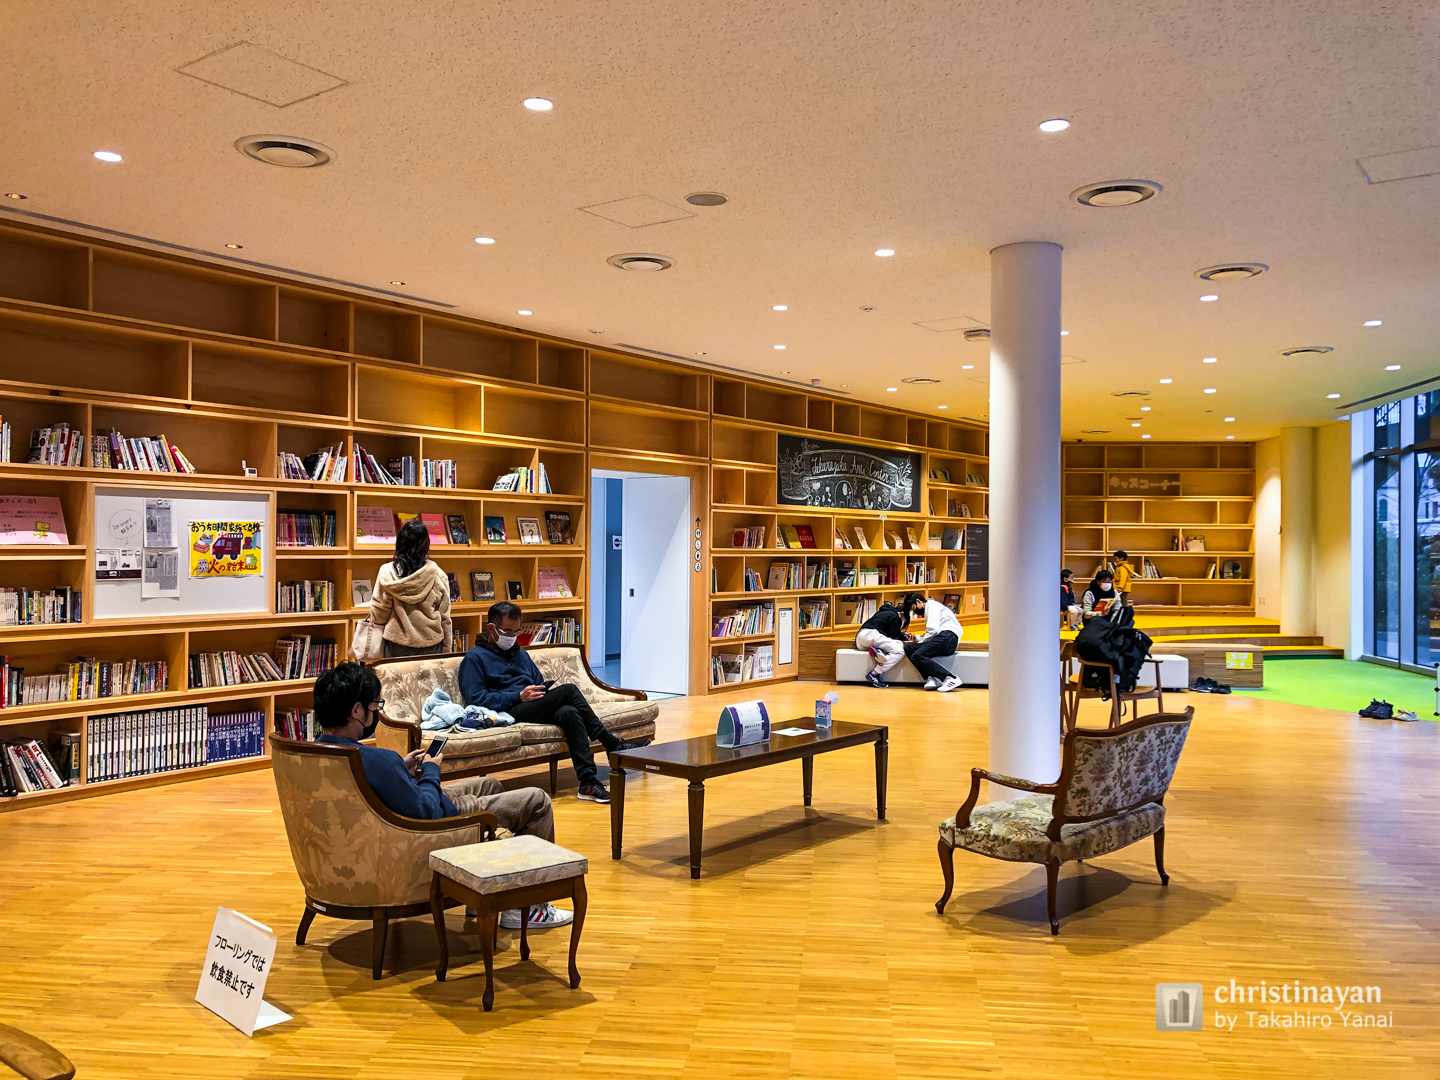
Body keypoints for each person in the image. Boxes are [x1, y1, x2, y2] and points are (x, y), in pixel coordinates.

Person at [313, 662, 571, 929]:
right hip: (430, 826)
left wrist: (400, 771)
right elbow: (426, 810)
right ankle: (529, 909)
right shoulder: (379, 760)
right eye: (375, 706)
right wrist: (431, 772)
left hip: (388, 824)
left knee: (490, 785)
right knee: (536, 800)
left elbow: (373, 786)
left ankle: (479, 895)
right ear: (357, 710)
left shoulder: (319, 754)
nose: (376, 712)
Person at [458, 601, 649, 805]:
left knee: (569, 713)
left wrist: (540, 691)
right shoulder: (474, 659)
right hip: (509, 711)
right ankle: (611, 742)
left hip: (533, 705)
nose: (512, 637)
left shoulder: (518, 651)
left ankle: (588, 782)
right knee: (569, 690)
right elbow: (476, 700)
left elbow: (537, 680)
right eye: (507, 631)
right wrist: (518, 696)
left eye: (516, 632)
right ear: (491, 628)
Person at [369, 518, 452, 658]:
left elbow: (379, 614)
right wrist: (447, 651)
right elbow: (445, 617)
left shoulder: (387, 572)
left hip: (396, 643)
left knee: (396, 680)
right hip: (431, 644)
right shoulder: (439, 575)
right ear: (426, 544)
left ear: (400, 542)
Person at [901, 591, 964, 692]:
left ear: (918, 601)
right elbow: (933, 633)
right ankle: (932, 678)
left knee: (917, 654)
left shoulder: (931, 605)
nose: (915, 611)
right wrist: (917, 639)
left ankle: (950, 678)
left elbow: (933, 630)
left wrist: (920, 642)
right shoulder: (932, 608)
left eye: (914, 608)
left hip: (948, 638)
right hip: (945, 638)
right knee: (909, 648)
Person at [854, 599, 909, 689]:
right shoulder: (896, 617)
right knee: (899, 651)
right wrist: (903, 636)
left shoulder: (883, 612)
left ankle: (878, 651)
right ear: (902, 614)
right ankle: (874, 673)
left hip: (861, 639)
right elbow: (893, 636)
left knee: (898, 644)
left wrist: (902, 635)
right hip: (872, 635)